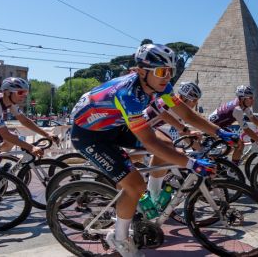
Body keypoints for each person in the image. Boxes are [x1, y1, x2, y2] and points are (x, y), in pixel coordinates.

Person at [70, 43, 235, 257]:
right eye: (161, 71)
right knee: (135, 185)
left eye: (170, 72)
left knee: (168, 144)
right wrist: (191, 164)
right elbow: (149, 142)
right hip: (89, 135)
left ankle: (154, 196)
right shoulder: (127, 94)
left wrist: (219, 131)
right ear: (141, 71)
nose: (167, 77)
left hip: (114, 126)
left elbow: (186, 114)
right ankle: (119, 239)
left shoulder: (161, 87)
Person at [207, 85, 258, 165]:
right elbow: (246, 130)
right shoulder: (237, 109)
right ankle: (233, 170)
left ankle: (223, 162)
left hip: (218, 124)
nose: (253, 100)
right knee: (240, 144)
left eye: (252, 97)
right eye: (250, 98)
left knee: (233, 144)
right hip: (213, 126)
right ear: (242, 98)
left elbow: (253, 118)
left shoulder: (243, 105)